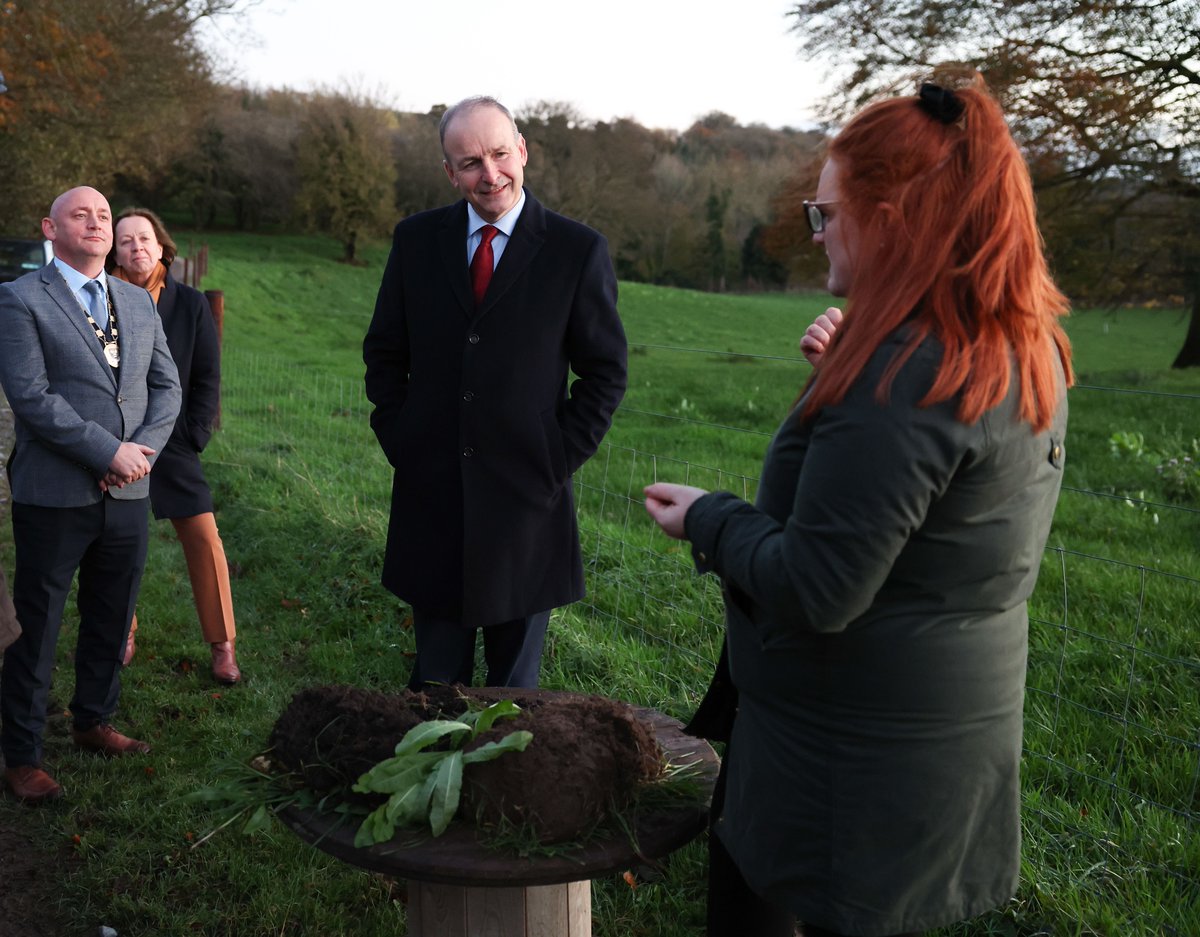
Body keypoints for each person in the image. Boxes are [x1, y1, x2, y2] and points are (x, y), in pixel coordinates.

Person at [645, 77, 1073, 937]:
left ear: (893, 218)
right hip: (931, 734)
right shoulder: (1018, 345)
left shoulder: (905, 370)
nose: (818, 233)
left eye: (829, 212)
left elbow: (818, 587)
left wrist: (709, 518)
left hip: (846, 754)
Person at [364, 95, 627, 689]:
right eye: (471, 163)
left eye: (500, 154)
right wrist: (403, 440)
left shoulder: (576, 250)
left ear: (523, 151)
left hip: (527, 505)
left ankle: (505, 785)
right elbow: (384, 353)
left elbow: (605, 372)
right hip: (431, 496)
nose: (490, 175)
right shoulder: (416, 241)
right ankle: (437, 782)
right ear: (450, 172)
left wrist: (556, 457)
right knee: (434, 689)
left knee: (515, 701)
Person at [0, 186, 181, 803]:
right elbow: (31, 397)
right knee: (38, 625)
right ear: (50, 228)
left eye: (105, 214)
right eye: (82, 214)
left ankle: (93, 721)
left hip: (130, 491)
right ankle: (21, 753)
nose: (98, 223)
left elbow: (167, 387)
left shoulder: (135, 300)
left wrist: (139, 456)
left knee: (111, 611)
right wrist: (107, 451)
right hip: (54, 493)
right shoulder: (20, 299)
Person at [107, 208, 241, 684]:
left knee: (205, 538)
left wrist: (197, 432)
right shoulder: (100, 299)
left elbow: (207, 374)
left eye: (144, 238)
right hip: (117, 441)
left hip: (176, 440)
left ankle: (222, 644)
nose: (136, 248)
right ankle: (122, 631)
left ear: (162, 246)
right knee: (118, 542)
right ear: (113, 250)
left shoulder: (189, 304)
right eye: (125, 241)